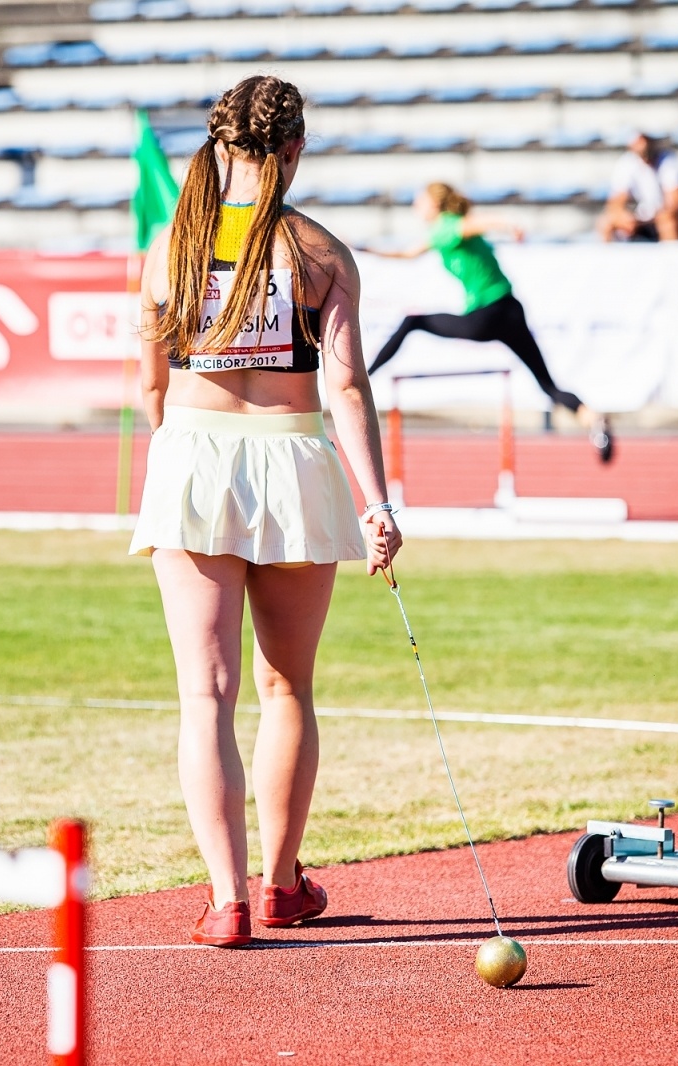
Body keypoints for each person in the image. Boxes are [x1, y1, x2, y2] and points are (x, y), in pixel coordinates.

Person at [131, 75, 401, 948]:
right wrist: (377, 504)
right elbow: (348, 387)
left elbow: (148, 390)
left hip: (193, 457)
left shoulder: (168, 245)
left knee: (204, 694)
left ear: (219, 148)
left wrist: (182, 450)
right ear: (295, 150)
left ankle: (225, 901)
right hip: (293, 458)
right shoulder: (322, 251)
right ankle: (282, 884)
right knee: (287, 686)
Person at [367, 182, 613, 462]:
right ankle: (593, 419)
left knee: (413, 321)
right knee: (548, 386)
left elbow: (474, 225)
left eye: (419, 201)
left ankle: (366, 375)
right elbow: (406, 255)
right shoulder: (442, 232)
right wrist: (362, 249)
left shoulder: (447, 226)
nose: (415, 206)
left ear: (435, 205)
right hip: (510, 309)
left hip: (485, 316)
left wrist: (508, 225)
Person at [597, 132, 678, 242]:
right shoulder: (626, 163)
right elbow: (615, 202)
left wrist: (652, 217)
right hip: (641, 219)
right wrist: (624, 216)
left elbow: (674, 204)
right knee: (606, 222)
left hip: (662, 218)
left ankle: (671, 258)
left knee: (668, 223)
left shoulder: (668, 161)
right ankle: (610, 258)